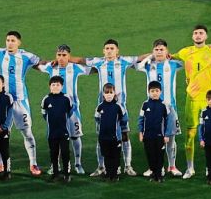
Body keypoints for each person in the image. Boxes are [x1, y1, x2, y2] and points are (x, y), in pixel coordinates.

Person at [0, 32, 41, 176]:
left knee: (27, 132)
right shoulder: (0, 53)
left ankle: (33, 163)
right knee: (0, 132)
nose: (9, 43)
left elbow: (40, 63)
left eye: (13, 40)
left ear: (19, 42)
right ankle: (0, 165)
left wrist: (53, 63)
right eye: (7, 40)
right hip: (2, 101)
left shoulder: (27, 56)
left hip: (20, 101)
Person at [77, 39, 140, 176]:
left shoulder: (124, 61)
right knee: (101, 136)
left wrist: (154, 54)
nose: (109, 50)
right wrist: (66, 58)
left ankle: (127, 166)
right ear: (103, 51)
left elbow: (140, 58)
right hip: (103, 108)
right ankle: (101, 167)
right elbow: (82, 60)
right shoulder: (98, 62)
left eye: (112, 48)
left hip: (120, 107)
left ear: (117, 51)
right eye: (107, 48)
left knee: (124, 135)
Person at [176, 27, 211, 180]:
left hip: (209, 101)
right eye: (196, 33)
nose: (198, 35)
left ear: (206, 36)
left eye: (201, 33)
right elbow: (166, 56)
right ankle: (190, 168)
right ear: (192, 36)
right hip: (191, 100)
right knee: (190, 135)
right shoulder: (185, 52)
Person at [36, 45, 92, 175]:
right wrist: (48, 61)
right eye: (59, 55)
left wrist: (76, 60)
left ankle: (77, 164)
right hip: (55, 111)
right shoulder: (51, 67)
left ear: (69, 56)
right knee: (56, 138)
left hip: (73, 110)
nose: (61, 58)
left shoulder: (75, 68)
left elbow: (94, 69)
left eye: (64, 55)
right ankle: (55, 165)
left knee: (75, 136)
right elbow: (36, 66)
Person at [133, 40, 185, 176]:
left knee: (171, 138)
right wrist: (148, 58)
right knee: (153, 139)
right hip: (153, 108)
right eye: (156, 50)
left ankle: (172, 166)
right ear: (153, 52)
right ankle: (155, 167)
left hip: (170, 108)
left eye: (162, 49)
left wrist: (175, 56)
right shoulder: (148, 65)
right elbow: (137, 66)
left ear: (166, 51)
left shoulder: (174, 64)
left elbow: (188, 63)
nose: (159, 52)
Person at [137, 80, 173, 182]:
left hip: (159, 136)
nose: (155, 93)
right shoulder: (145, 104)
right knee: (150, 155)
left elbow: (168, 121)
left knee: (159, 156)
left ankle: (159, 175)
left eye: (157, 91)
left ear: (160, 92)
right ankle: (153, 173)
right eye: (152, 91)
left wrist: (166, 135)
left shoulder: (164, 105)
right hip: (147, 136)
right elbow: (141, 119)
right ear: (149, 92)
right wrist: (140, 133)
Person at [40, 75, 74, 182]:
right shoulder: (46, 99)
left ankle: (67, 174)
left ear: (62, 86)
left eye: (58, 85)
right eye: (53, 85)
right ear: (50, 86)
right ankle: (55, 173)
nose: (55, 87)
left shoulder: (66, 98)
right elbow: (44, 113)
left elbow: (70, 111)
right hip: (52, 133)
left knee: (65, 153)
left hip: (64, 132)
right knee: (53, 153)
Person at [93, 83, 128, 181]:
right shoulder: (100, 107)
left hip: (115, 137)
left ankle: (115, 174)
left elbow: (124, 120)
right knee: (106, 155)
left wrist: (122, 133)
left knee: (115, 156)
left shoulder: (118, 107)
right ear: (103, 94)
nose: (108, 95)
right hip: (103, 137)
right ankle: (108, 173)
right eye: (106, 93)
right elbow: (97, 118)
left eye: (111, 93)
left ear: (114, 94)